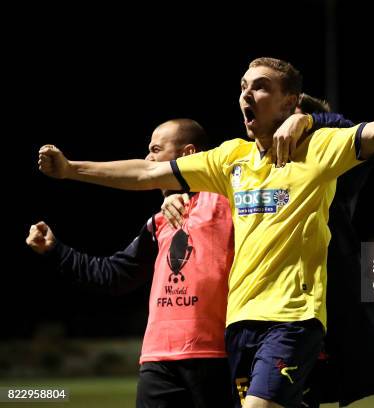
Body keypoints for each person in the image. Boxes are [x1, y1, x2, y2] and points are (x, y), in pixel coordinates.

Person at [38, 57, 374, 408]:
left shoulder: (319, 150)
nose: (246, 94)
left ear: (291, 103)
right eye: (243, 87)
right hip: (240, 323)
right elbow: (145, 173)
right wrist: (73, 169)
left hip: (294, 316)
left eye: (261, 86)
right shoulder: (231, 160)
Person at [162, 93, 374, 407]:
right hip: (252, 318)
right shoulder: (253, 172)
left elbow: (355, 130)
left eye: (290, 116)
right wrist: (179, 198)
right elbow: (216, 201)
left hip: (310, 317)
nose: (282, 126)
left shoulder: (331, 170)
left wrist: (308, 119)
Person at [27, 118, 236, 408]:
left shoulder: (228, 202)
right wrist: (56, 250)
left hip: (217, 357)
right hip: (157, 361)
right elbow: (113, 276)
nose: (148, 159)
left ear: (188, 155)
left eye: (156, 149)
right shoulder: (159, 223)